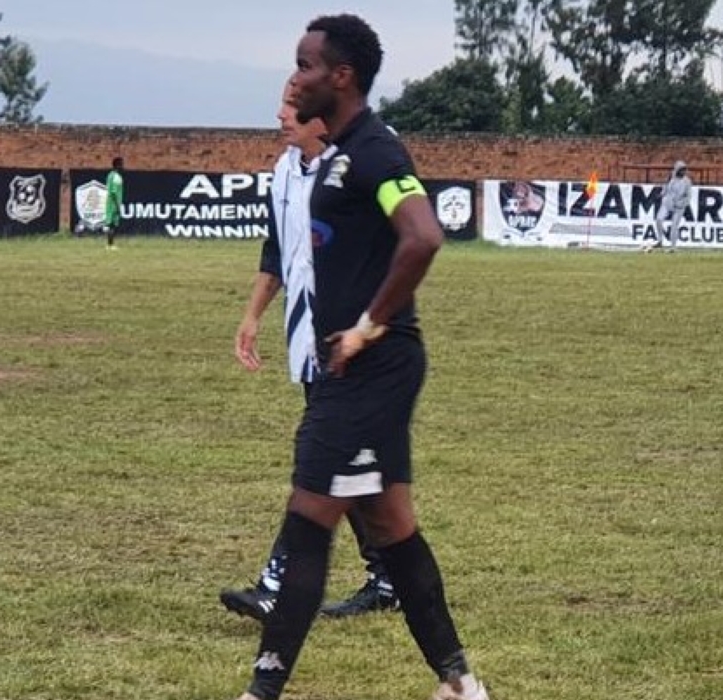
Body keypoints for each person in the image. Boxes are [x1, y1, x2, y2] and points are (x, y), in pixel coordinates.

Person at [232, 14, 488, 700]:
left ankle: (261, 692)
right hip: (356, 367)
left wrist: (368, 326)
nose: (294, 78)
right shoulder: (336, 156)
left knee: (308, 517)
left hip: (370, 368)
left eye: (306, 65)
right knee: (390, 524)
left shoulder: (375, 152)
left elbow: (424, 237)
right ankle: (460, 684)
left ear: (341, 77)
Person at [219, 81, 399, 624]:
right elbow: (277, 250)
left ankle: (278, 584)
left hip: (357, 341)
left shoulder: (366, 163)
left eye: (290, 108)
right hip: (308, 339)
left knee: (319, 460)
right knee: (352, 467)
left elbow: (405, 243)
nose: (278, 115)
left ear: (323, 116)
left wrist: (371, 326)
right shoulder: (283, 171)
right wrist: (252, 316)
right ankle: (390, 577)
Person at [652, 160, 691, 251]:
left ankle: (673, 246)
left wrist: (681, 203)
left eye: (684, 170)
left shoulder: (687, 181)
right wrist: (661, 194)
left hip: (679, 206)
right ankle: (660, 240)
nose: (683, 172)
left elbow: (688, 196)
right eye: (681, 170)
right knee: (659, 219)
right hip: (667, 202)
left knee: (674, 225)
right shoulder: (671, 176)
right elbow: (666, 187)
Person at [104, 157, 124, 250]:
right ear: (117, 165)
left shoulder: (110, 175)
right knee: (112, 225)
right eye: (121, 164)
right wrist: (117, 205)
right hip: (113, 203)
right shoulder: (116, 177)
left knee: (110, 224)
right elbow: (114, 192)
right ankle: (111, 245)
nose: (123, 166)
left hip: (109, 202)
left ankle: (109, 244)